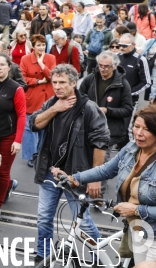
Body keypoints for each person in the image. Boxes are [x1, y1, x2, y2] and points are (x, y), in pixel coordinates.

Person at [56, 106, 156, 264]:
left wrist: (136, 209)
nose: (139, 133)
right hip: (137, 229)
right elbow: (106, 170)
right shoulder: (131, 149)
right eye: (136, 127)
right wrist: (75, 178)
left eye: (146, 129)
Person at [29, 64, 109, 264]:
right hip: (50, 172)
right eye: (54, 82)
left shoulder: (88, 108)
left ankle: (99, 258)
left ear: (74, 83)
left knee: (83, 224)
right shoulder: (51, 104)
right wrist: (55, 109)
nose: (57, 86)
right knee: (44, 217)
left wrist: (95, 178)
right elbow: (34, 123)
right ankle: (43, 254)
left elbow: (100, 143)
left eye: (62, 82)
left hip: (75, 175)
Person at [0, 53, 25, 222]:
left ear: (9, 67)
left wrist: (18, 140)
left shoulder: (15, 88)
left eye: (3, 64)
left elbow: (22, 115)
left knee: (2, 172)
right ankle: (9, 185)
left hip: (8, 135)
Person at [79, 51, 133, 165]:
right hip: (89, 128)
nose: (102, 69)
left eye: (106, 66)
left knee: (101, 165)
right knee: (85, 161)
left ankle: (100, 183)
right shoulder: (90, 79)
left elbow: (127, 109)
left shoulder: (123, 84)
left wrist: (107, 111)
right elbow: (79, 98)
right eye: (100, 65)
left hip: (109, 130)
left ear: (114, 66)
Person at [20, 34, 56, 167]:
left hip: (47, 98)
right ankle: (31, 156)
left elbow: (53, 75)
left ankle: (41, 154)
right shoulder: (25, 59)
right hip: (32, 97)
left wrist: (42, 64)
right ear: (33, 47)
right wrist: (37, 81)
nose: (41, 48)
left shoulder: (50, 58)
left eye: (43, 45)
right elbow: (22, 78)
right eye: (38, 45)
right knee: (29, 128)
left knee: (44, 128)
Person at [118, 33, 152, 142]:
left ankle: (131, 152)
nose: (121, 48)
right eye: (120, 45)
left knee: (127, 127)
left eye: (124, 45)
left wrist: (130, 93)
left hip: (130, 100)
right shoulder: (116, 57)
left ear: (133, 45)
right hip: (114, 98)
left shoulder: (140, 60)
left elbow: (146, 82)